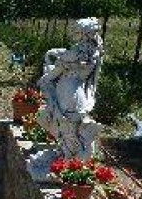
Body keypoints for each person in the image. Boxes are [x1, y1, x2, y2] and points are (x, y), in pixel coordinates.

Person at [37, 18, 105, 160]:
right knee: (69, 122)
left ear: (84, 33)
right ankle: (71, 156)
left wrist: (47, 76)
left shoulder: (78, 51)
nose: (75, 33)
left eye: (78, 31)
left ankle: (71, 157)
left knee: (65, 122)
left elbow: (59, 65)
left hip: (68, 89)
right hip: (77, 90)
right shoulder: (94, 51)